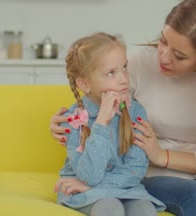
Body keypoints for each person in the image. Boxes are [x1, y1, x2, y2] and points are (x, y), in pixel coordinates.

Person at [52, 0, 196, 216]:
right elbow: (93, 94)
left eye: (180, 56)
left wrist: (162, 155)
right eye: (164, 41)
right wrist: (67, 122)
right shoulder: (136, 63)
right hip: (153, 172)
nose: (163, 57)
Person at [54, 32, 165, 216]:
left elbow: (135, 169)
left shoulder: (136, 111)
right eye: (111, 73)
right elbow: (88, 176)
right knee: (109, 207)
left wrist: (97, 187)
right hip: (81, 190)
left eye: (124, 68)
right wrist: (101, 123)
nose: (123, 79)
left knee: (145, 210)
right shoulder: (74, 120)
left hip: (124, 187)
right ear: (85, 84)